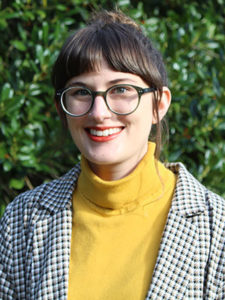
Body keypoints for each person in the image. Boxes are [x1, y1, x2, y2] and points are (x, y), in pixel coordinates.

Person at [0, 9, 224, 300]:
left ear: (159, 104)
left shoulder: (217, 229)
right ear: (61, 107)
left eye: (120, 89)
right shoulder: (22, 221)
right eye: (81, 92)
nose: (99, 112)